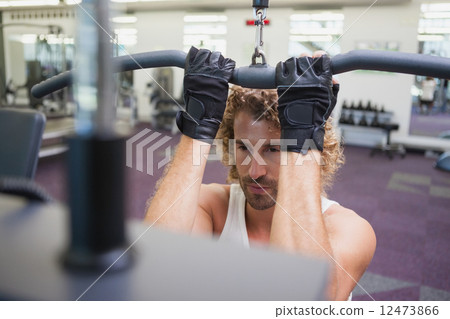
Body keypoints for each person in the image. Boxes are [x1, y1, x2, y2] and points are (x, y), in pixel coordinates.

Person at [145, 47, 376, 301]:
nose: (255, 172)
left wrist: (302, 138)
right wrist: (197, 127)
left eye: (274, 149)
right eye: (243, 147)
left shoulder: (350, 229)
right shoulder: (212, 208)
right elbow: (153, 267)